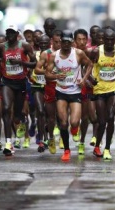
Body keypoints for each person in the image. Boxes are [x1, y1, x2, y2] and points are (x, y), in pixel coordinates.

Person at [45, 30, 93, 161]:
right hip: (61, 91)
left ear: (72, 42)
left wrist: (84, 80)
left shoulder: (78, 53)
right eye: (63, 42)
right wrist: (55, 76)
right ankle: (66, 150)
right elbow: (47, 74)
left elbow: (90, 64)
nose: (66, 44)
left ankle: (75, 129)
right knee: (63, 122)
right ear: (60, 42)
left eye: (68, 42)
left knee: (75, 122)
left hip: (75, 91)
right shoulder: (54, 56)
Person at [0, 25, 36, 156]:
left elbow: (34, 63)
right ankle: (8, 142)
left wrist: (21, 63)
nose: (10, 35)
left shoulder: (24, 46)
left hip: (21, 83)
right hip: (7, 82)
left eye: (12, 32)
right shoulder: (2, 47)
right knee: (7, 108)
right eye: (8, 32)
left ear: (17, 34)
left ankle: (20, 122)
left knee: (18, 114)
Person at [89, 28, 115, 160]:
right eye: (107, 40)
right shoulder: (95, 52)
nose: (110, 42)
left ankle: (107, 148)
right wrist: (88, 80)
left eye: (112, 40)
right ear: (103, 40)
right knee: (102, 121)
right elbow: (87, 67)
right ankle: (97, 146)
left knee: (110, 117)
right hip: (99, 88)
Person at [75, 28, 98, 154]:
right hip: (77, 87)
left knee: (94, 116)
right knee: (83, 118)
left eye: (84, 39)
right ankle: (82, 141)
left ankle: (95, 139)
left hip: (91, 87)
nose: (82, 42)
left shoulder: (90, 52)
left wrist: (90, 80)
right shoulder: (72, 52)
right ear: (75, 41)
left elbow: (91, 67)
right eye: (79, 39)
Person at [36, 34, 57, 154]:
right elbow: (36, 69)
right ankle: (48, 138)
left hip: (62, 87)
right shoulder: (44, 54)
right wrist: (48, 73)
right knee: (44, 113)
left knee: (61, 116)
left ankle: (51, 131)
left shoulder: (68, 53)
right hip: (41, 86)